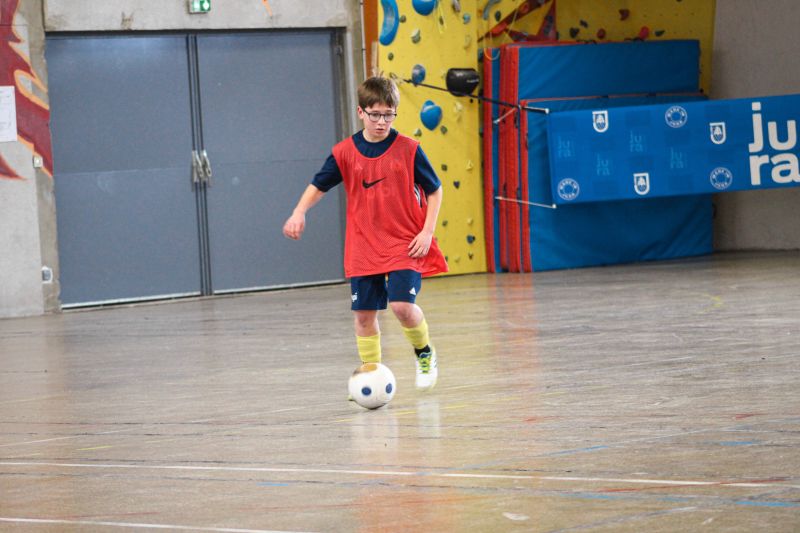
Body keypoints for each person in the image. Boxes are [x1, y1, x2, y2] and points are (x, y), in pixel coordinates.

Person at [282, 76, 448, 391]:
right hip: (363, 245)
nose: (382, 121)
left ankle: (424, 352)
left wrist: (427, 231)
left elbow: (435, 190)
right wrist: (299, 211)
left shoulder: (409, 149)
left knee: (401, 306)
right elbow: (319, 185)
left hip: (404, 241)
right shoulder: (345, 152)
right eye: (375, 115)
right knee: (363, 316)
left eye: (389, 114)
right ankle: (371, 375)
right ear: (361, 112)